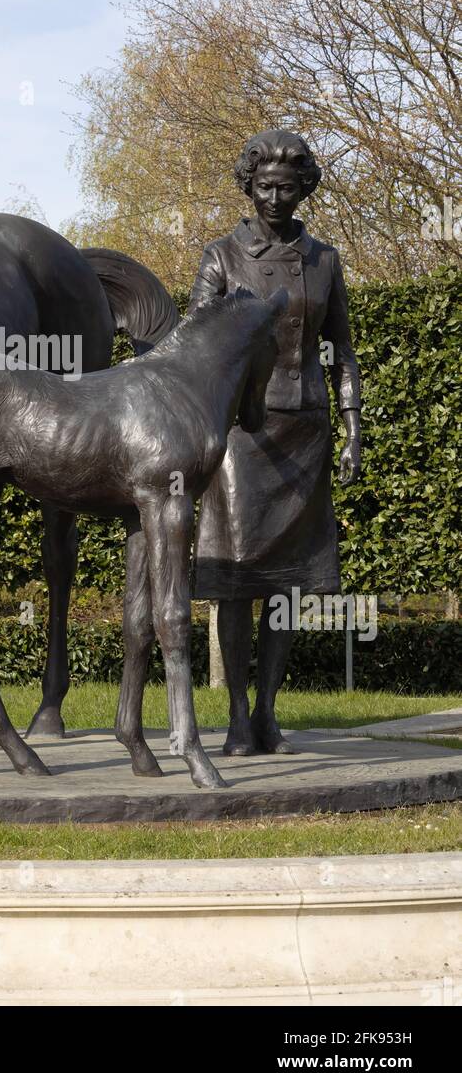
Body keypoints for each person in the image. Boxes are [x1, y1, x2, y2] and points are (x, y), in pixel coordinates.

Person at [190, 129, 362, 754]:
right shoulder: (221, 257)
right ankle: (236, 714)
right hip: (241, 432)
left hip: (305, 427)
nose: (274, 199)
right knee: (237, 578)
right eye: (264, 188)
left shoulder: (325, 260)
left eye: (287, 189)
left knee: (289, 584)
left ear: (304, 190)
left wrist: (352, 428)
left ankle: (267, 711)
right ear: (249, 187)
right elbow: (196, 346)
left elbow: (341, 349)